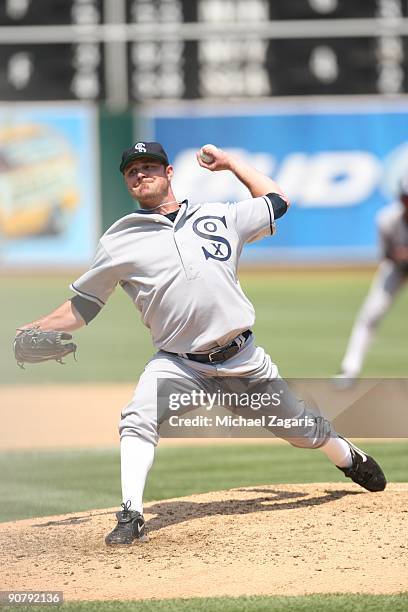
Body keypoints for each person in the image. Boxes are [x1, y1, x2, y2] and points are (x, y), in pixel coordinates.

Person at [17, 141, 386, 546]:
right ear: (126, 182)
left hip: (242, 359)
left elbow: (278, 200)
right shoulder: (119, 239)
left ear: (169, 173)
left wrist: (231, 164)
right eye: (132, 171)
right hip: (179, 364)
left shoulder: (219, 214)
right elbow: (84, 305)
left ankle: (348, 456)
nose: (141, 174)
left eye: (149, 167)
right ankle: (131, 513)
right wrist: (34, 327)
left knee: (300, 429)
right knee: (138, 416)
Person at [335, 176, 408, 386]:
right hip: (396, 269)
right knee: (370, 315)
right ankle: (349, 370)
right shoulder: (387, 219)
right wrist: (400, 256)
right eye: (405, 198)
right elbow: (386, 255)